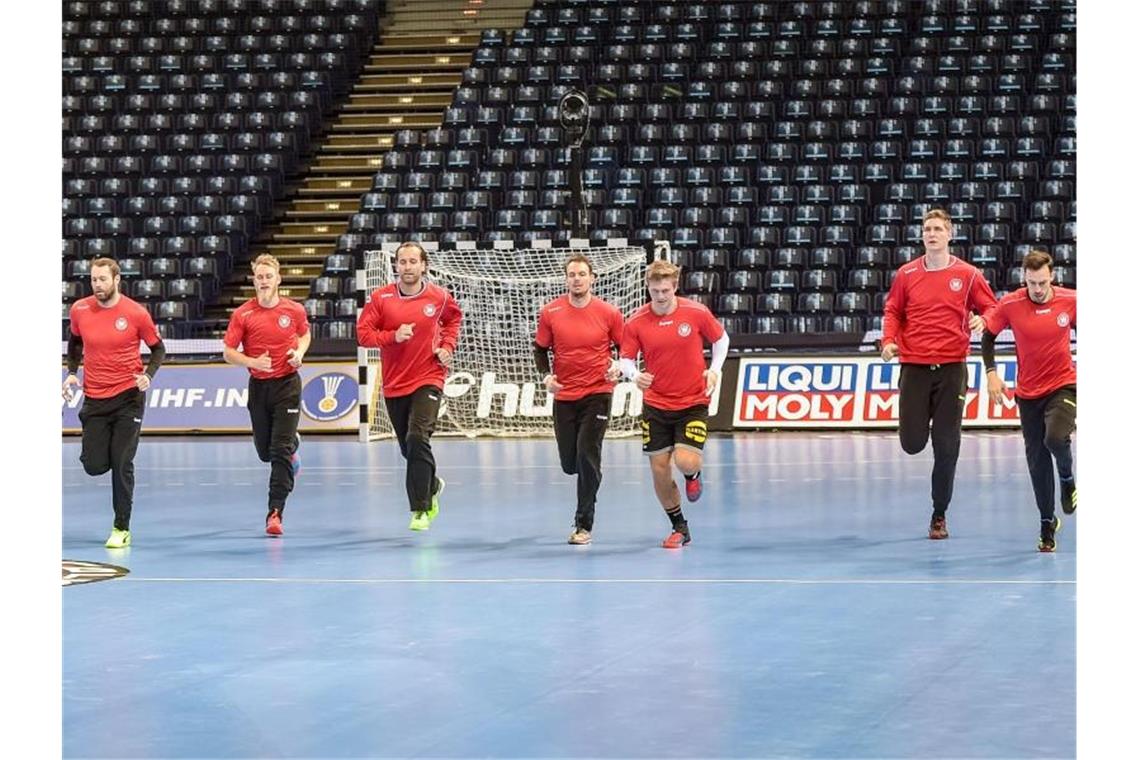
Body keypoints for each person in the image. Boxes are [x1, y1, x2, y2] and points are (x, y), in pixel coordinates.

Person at [881, 208, 998, 540]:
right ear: (922, 235)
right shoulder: (906, 274)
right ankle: (920, 438)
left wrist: (984, 321)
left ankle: (939, 514)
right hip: (914, 367)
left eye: (937, 229)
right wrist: (888, 341)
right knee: (912, 443)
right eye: (927, 229)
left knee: (946, 446)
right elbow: (893, 310)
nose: (931, 234)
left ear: (949, 234)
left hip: (952, 369)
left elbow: (992, 308)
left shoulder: (969, 274)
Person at [619, 259, 729, 549]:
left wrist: (715, 368)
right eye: (655, 290)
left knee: (685, 460)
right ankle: (679, 528)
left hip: (693, 400)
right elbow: (626, 358)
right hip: (656, 404)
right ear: (648, 288)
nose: (661, 296)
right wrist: (634, 375)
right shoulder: (636, 321)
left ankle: (693, 475)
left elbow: (721, 339)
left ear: (675, 287)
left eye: (666, 290)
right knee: (659, 469)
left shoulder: (696, 312)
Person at [357, 241, 462, 531]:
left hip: (429, 376)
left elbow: (453, 320)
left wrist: (447, 346)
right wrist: (392, 336)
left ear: (423, 265)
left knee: (418, 437)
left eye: (413, 261)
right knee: (408, 449)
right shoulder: (381, 299)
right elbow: (363, 335)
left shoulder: (439, 297)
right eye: (402, 262)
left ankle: (420, 509)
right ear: (396, 266)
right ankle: (433, 483)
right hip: (394, 383)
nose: (407, 267)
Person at [63, 258, 166, 548]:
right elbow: (75, 342)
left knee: (122, 462)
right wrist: (71, 373)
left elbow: (158, 348)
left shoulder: (135, 313)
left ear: (116, 279)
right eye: (93, 280)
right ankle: (104, 455)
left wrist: (148, 375)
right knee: (95, 465)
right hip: (94, 398)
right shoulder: (80, 309)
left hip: (128, 398)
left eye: (102, 280)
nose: (97, 285)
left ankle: (121, 527)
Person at [980, 250, 1077, 552]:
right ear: (1024, 277)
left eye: (1043, 282)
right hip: (1027, 394)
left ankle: (1067, 476)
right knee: (1036, 461)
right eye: (1032, 282)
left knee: (1055, 439)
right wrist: (992, 373)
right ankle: (1047, 522)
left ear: (1053, 277)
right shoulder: (1010, 304)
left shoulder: (1071, 301)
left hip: (1063, 385)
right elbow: (987, 336)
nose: (1037, 289)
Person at [534, 255, 625, 545]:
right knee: (570, 464)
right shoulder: (551, 312)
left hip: (598, 392)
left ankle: (583, 524)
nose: (577, 279)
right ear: (566, 279)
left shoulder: (609, 313)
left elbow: (626, 347)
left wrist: (619, 367)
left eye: (582, 274)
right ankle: (590, 470)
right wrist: (546, 377)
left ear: (592, 279)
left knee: (587, 454)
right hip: (564, 394)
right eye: (572, 274)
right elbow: (539, 350)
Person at [223, 254, 310, 536]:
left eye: (268, 277)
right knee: (265, 453)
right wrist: (251, 362)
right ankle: (293, 444)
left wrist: (299, 353)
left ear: (278, 279)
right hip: (259, 387)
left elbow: (305, 335)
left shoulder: (294, 310)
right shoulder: (243, 314)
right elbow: (228, 353)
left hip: (287, 384)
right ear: (254, 279)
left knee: (278, 452)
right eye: (259, 277)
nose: (263, 281)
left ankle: (275, 513)